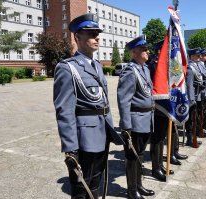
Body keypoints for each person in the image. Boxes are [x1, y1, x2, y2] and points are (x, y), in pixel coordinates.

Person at [53, 13, 123, 199]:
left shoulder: (97, 66)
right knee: (81, 188)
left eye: (97, 33)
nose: (97, 37)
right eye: (91, 34)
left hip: (102, 132)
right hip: (84, 138)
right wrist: (71, 148)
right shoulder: (68, 68)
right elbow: (64, 110)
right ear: (77, 37)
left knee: (95, 183)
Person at [117, 35, 155, 199]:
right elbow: (123, 100)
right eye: (144, 49)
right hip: (135, 120)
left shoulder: (144, 68)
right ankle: (132, 191)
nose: (148, 51)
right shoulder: (129, 71)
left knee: (139, 155)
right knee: (133, 156)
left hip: (147, 118)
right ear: (134, 51)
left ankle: (139, 185)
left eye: (147, 48)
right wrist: (126, 126)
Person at [148, 40, 174, 182]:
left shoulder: (166, 66)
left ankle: (160, 164)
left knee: (162, 138)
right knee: (156, 138)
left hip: (166, 107)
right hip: (157, 107)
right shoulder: (153, 67)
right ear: (160, 51)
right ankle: (155, 168)